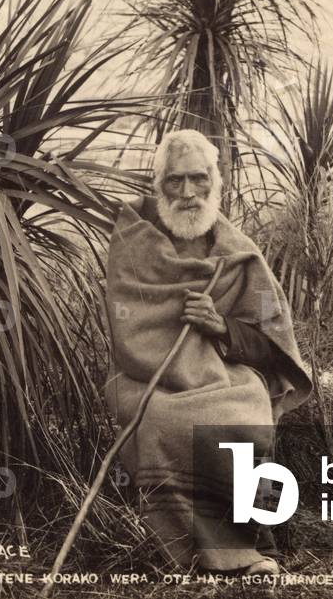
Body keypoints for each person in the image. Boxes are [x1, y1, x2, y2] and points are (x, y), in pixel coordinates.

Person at [103, 129, 312, 575]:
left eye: (198, 179)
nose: (187, 192)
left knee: (246, 407)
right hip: (146, 377)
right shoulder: (134, 240)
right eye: (174, 181)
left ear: (216, 183)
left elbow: (271, 345)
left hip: (224, 374)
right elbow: (129, 331)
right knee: (160, 418)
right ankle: (181, 550)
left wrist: (221, 326)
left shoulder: (238, 255)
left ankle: (249, 544)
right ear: (157, 186)